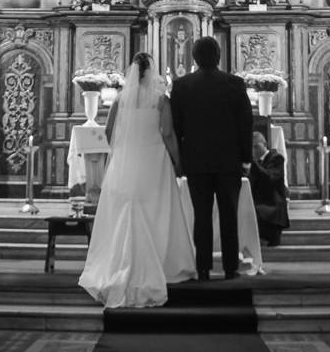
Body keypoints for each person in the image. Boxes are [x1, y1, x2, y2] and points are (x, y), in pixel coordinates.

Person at [78, 52, 196, 307]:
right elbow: (167, 133)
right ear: (152, 72)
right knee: (157, 211)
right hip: (154, 162)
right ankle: (164, 264)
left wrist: (122, 152)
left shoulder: (121, 99)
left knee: (126, 210)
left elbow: (108, 133)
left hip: (125, 161)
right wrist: (178, 162)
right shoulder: (161, 100)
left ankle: (120, 263)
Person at [170, 37, 253, 281]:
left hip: (196, 161)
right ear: (218, 56)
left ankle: (203, 267)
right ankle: (230, 268)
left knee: (202, 216)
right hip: (229, 161)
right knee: (229, 215)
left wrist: (180, 160)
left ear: (194, 58)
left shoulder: (182, 85)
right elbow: (245, 124)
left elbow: (177, 126)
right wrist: (246, 158)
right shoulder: (234, 84)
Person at [248, 131, 288, 246]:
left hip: (272, 202)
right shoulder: (255, 163)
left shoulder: (276, 158)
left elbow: (269, 178)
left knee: (256, 211)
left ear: (264, 144)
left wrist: (253, 163)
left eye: (256, 146)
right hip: (259, 199)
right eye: (251, 147)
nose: (253, 150)